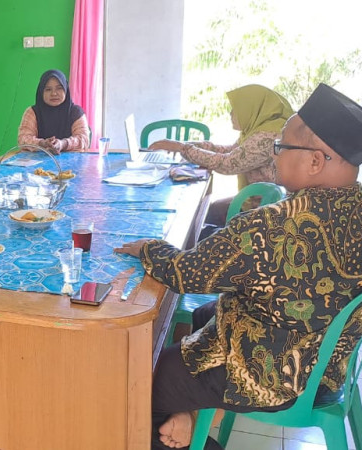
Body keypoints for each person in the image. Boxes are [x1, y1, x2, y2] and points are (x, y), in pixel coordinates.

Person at [115, 83, 362, 449]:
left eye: (281, 147)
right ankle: (193, 412)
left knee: (138, 380)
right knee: (204, 315)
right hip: (328, 368)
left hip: (272, 374)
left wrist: (150, 248)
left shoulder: (272, 225)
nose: (274, 157)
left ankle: (188, 431)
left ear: (314, 161)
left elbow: (186, 273)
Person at [149, 85, 294, 232]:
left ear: (250, 109)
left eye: (235, 110)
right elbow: (230, 150)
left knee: (203, 212)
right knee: (208, 209)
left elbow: (228, 163)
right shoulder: (259, 129)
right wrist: (188, 145)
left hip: (263, 207)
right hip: (260, 199)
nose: (231, 114)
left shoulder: (267, 136)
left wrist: (183, 148)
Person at [17, 69, 91, 153]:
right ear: (41, 92)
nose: (54, 94)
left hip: (72, 163)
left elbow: (84, 139)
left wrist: (63, 144)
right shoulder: (32, 112)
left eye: (59, 88)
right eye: (48, 89)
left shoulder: (76, 112)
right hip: (38, 163)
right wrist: (42, 143)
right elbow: (23, 138)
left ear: (65, 89)